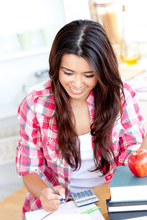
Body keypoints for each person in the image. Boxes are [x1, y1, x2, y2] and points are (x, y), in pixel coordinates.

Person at [16, 19, 145, 219]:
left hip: (110, 197)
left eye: (88, 75)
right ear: (56, 66)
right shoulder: (35, 105)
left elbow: (134, 155)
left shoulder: (121, 95)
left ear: (102, 70)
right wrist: (44, 193)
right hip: (61, 208)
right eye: (68, 73)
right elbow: (30, 169)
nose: (77, 83)